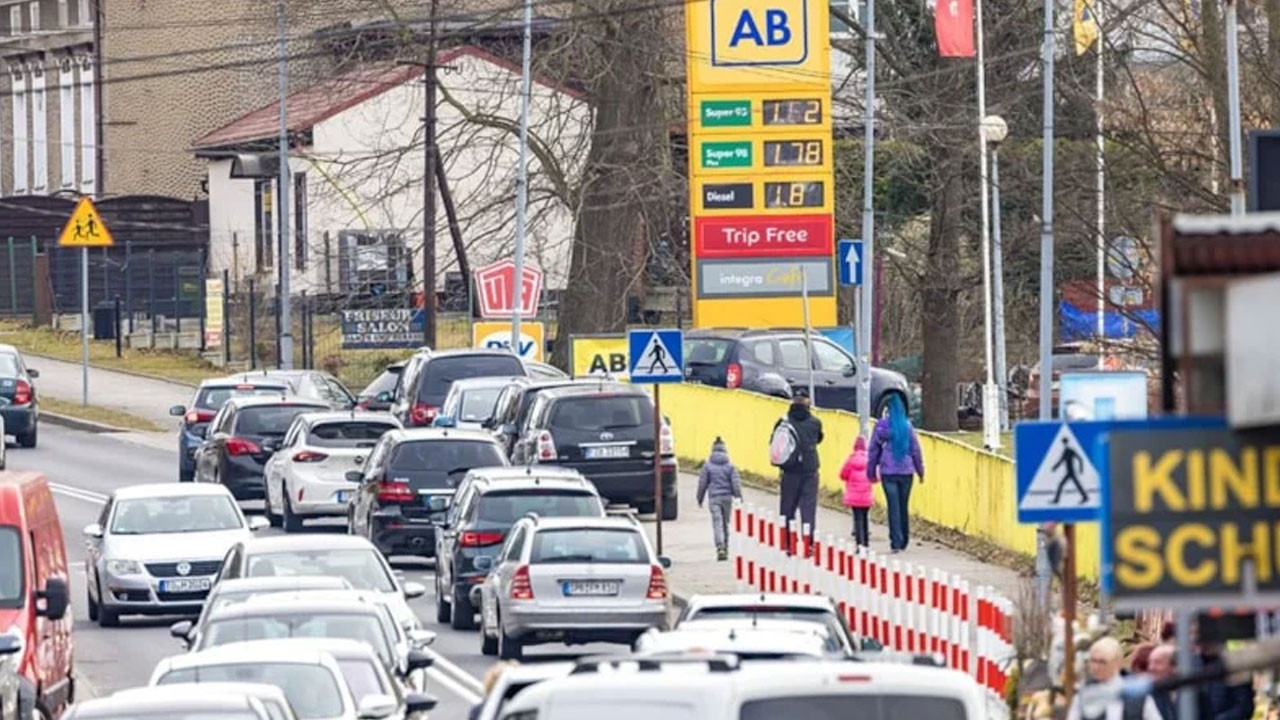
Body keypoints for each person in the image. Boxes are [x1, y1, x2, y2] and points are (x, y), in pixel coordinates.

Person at [866, 394, 924, 553]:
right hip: (906, 472)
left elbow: (873, 451)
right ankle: (904, 539)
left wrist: (870, 471)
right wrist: (920, 471)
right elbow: (915, 451)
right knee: (903, 505)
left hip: (888, 471)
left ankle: (895, 542)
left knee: (893, 506)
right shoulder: (907, 427)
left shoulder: (881, 426)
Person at [774, 389, 823, 555]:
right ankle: (809, 545)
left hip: (790, 470)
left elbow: (775, 443)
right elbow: (819, 439)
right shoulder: (815, 422)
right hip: (810, 470)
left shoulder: (783, 422)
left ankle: (787, 543)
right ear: (807, 402)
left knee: (787, 507)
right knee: (808, 509)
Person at [1066, 637, 1162, 720]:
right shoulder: (1083, 695)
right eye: (1093, 661)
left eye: (1102, 662)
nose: (1096, 667)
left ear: (1116, 663)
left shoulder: (1139, 696)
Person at [696, 436, 743, 561]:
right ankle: (725, 547)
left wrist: (699, 499)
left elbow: (702, 484)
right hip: (727, 499)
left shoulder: (707, 466)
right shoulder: (730, 466)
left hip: (714, 498)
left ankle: (720, 547)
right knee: (725, 523)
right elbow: (736, 483)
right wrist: (738, 497)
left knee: (717, 522)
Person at [839, 435, 873, 547]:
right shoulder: (869, 461)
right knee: (865, 518)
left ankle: (859, 543)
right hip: (866, 496)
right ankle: (866, 543)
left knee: (857, 519)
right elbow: (875, 477)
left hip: (854, 496)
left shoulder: (851, 460)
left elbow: (842, 475)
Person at [1147, 644, 1176, 720]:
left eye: (1157, 663)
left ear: (1174, 666)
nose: (1151, 668)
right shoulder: (1149, 697)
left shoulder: (1193, 694)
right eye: (1150, 662)